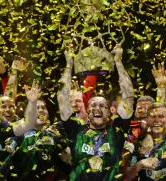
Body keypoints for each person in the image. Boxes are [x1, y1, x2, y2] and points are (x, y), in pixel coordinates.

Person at [57, 44, 134, 180]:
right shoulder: (76, 130)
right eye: (93, 105)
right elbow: (62, 98)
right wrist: (69, 64)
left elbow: (128, 95)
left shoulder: (117, 131)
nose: (97, 108)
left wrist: (118, 61)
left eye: (102, 106)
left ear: (110, 112)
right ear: (87, 110)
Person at [10, 98, 70, 180]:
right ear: (26, 114)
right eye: (36, 108)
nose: (41, 110)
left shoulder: (56, 134)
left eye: (43, 107)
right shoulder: (18, 135)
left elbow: (68, 160)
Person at [125, 103, 166, 181]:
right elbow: (127, 176)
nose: (156, 120)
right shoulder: (137, 144)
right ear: (147, 119)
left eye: (161, 116)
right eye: (153, 116)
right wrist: (141, 163)